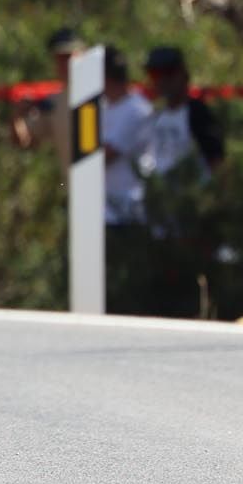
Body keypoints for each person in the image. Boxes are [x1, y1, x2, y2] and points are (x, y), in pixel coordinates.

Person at [135, 45, 224, 317]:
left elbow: (217, 161)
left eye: (167, 73)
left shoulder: (198, 113)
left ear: (182, 75)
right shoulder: (157, 116)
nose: (160, 80)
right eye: (154, 73)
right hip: (162, 220)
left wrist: (207, 204)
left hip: (191, 218)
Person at [99, 47, 153, 313]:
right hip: (100, 212)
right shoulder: (101, 108)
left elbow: (105, 154)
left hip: (127, 212)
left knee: (125, 291)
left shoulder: (137, 109)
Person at [9, 26, 83, 161]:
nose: (64, 63)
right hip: (76, 182)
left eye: (68, 56)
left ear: (83, 54)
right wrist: (17, 116)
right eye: (59, 58)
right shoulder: (55, 102)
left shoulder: (103, 96)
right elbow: (24, 141)